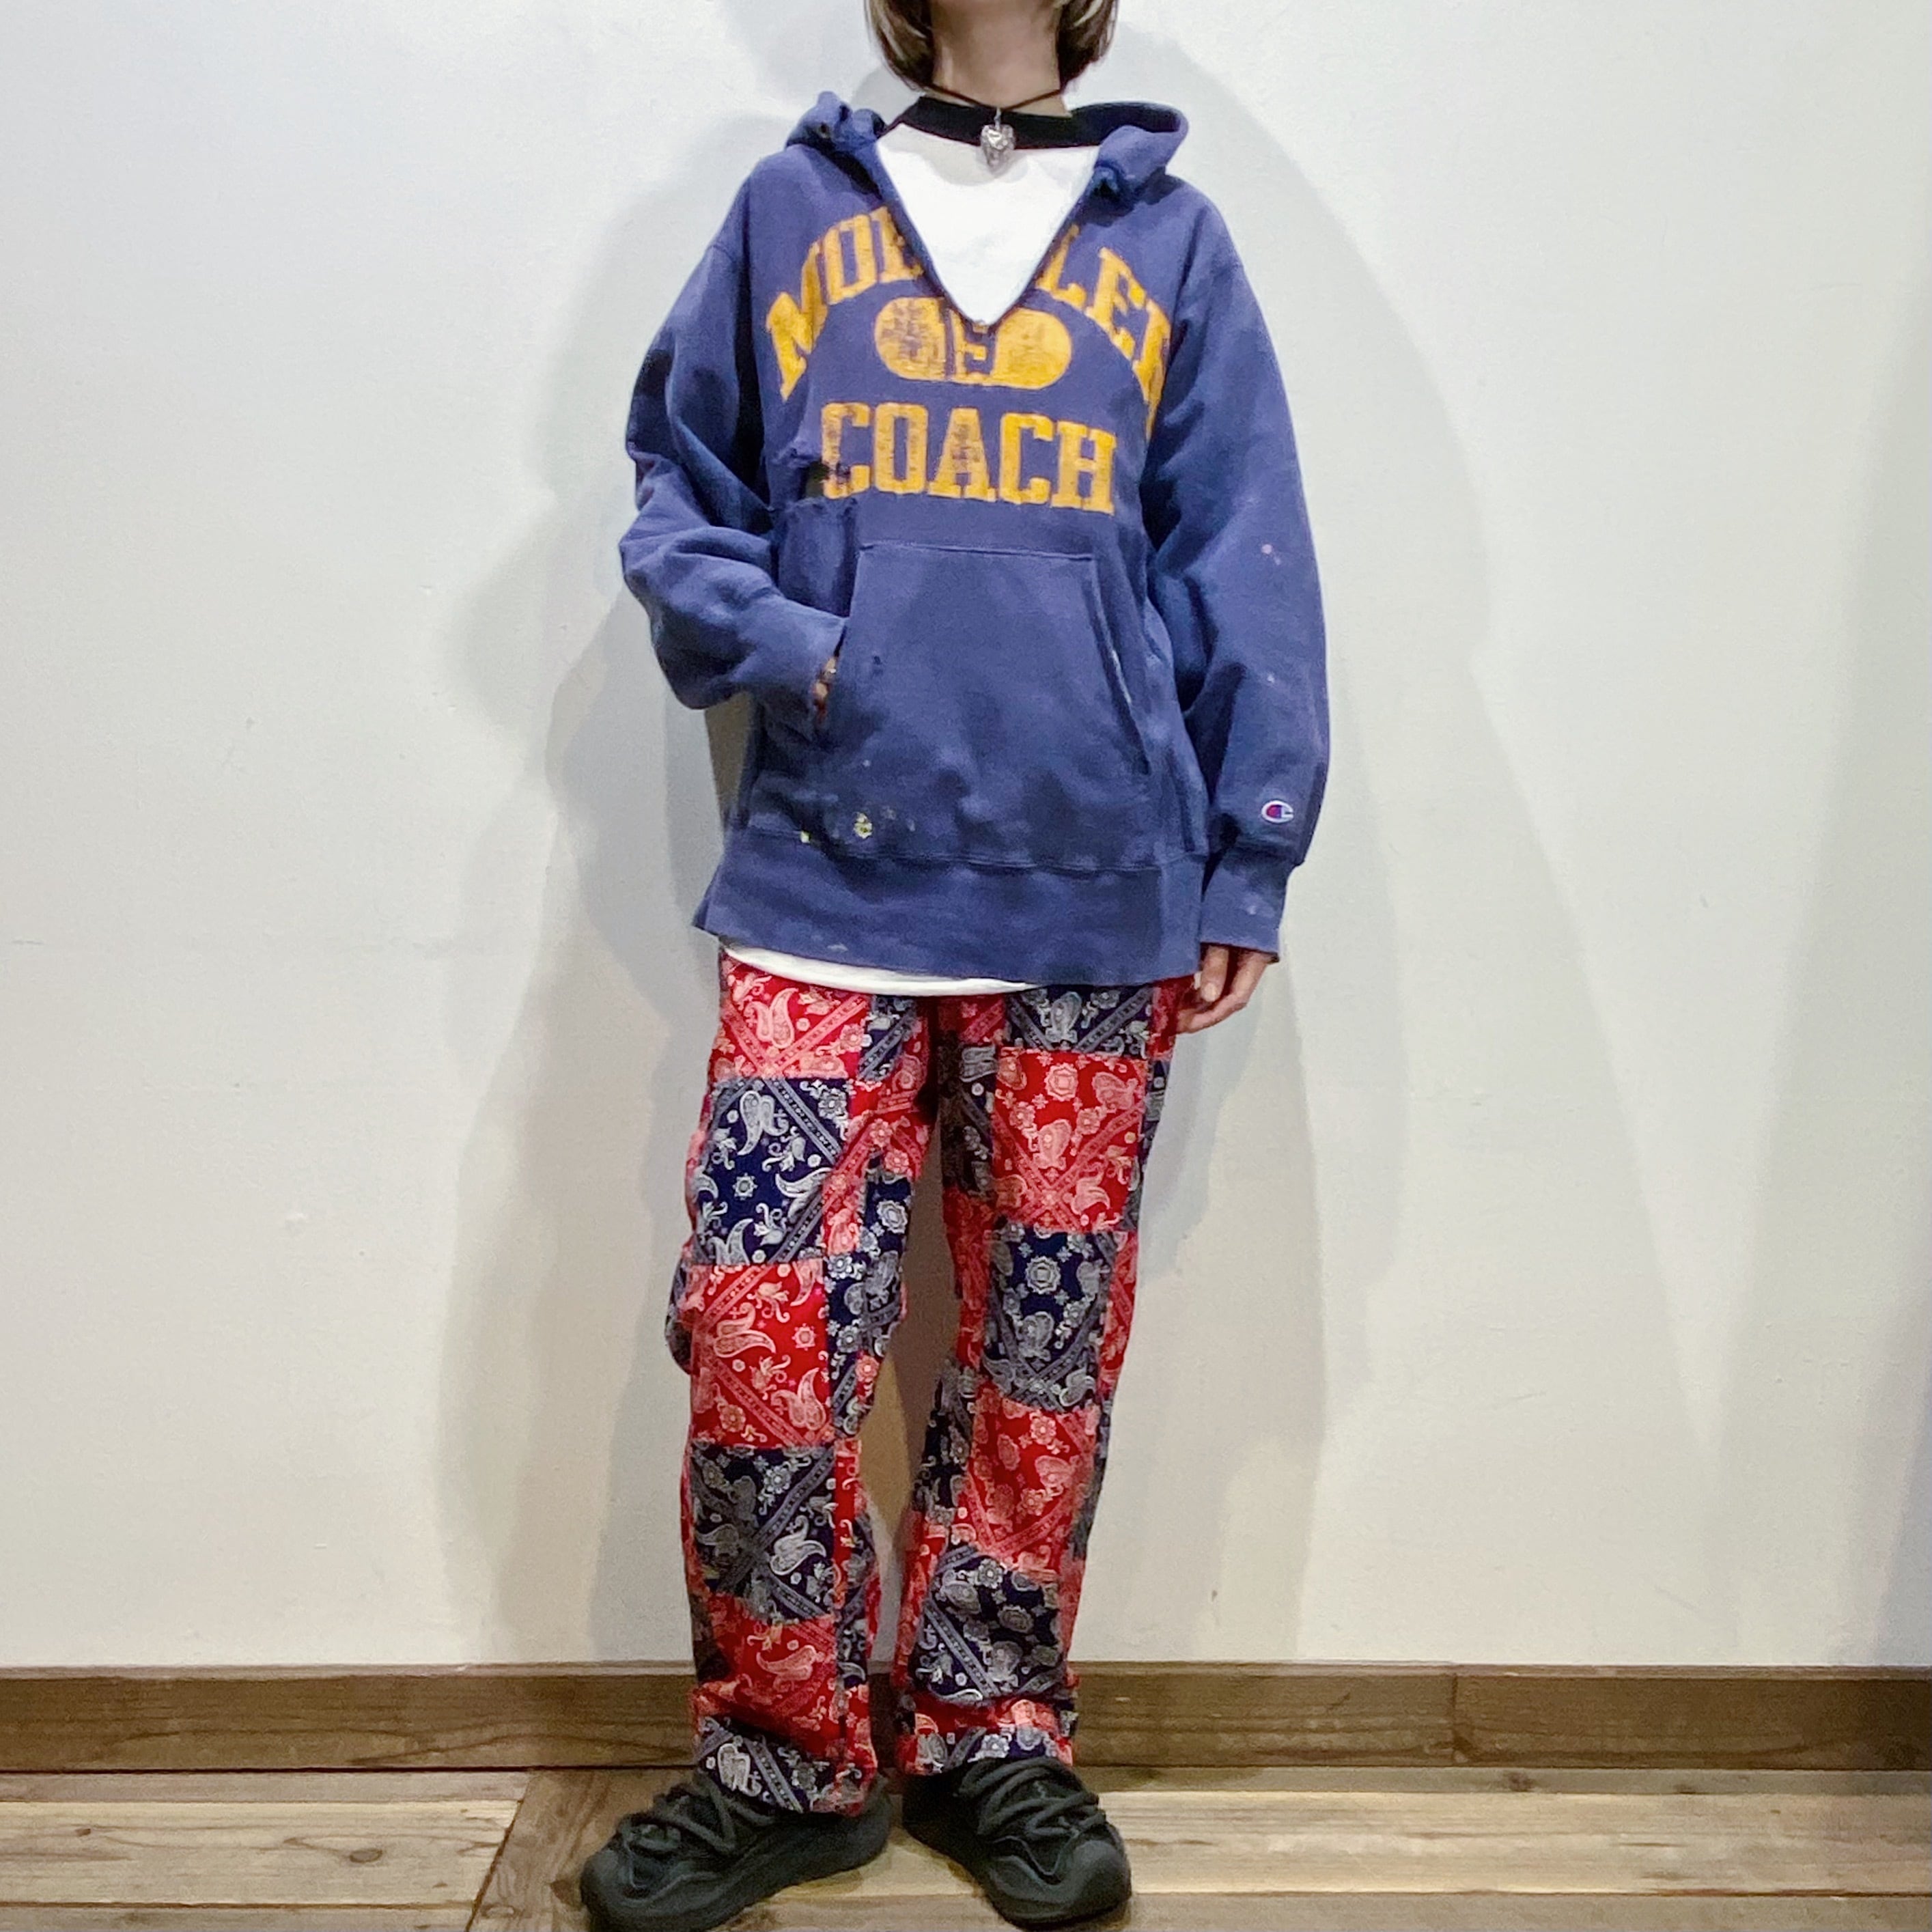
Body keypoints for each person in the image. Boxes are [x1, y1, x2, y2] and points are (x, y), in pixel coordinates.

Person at [578, 1, 1328, 1925]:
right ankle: (786, 1762)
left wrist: (1251, 846)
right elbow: (678, 486)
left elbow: (1240, 547)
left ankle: (991, 1735)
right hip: (825, 884)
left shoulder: (1173, 242)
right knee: (761, 1329)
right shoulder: (791, 211)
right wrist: (796, 646)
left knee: (1042, 1356)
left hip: (1093, 888)